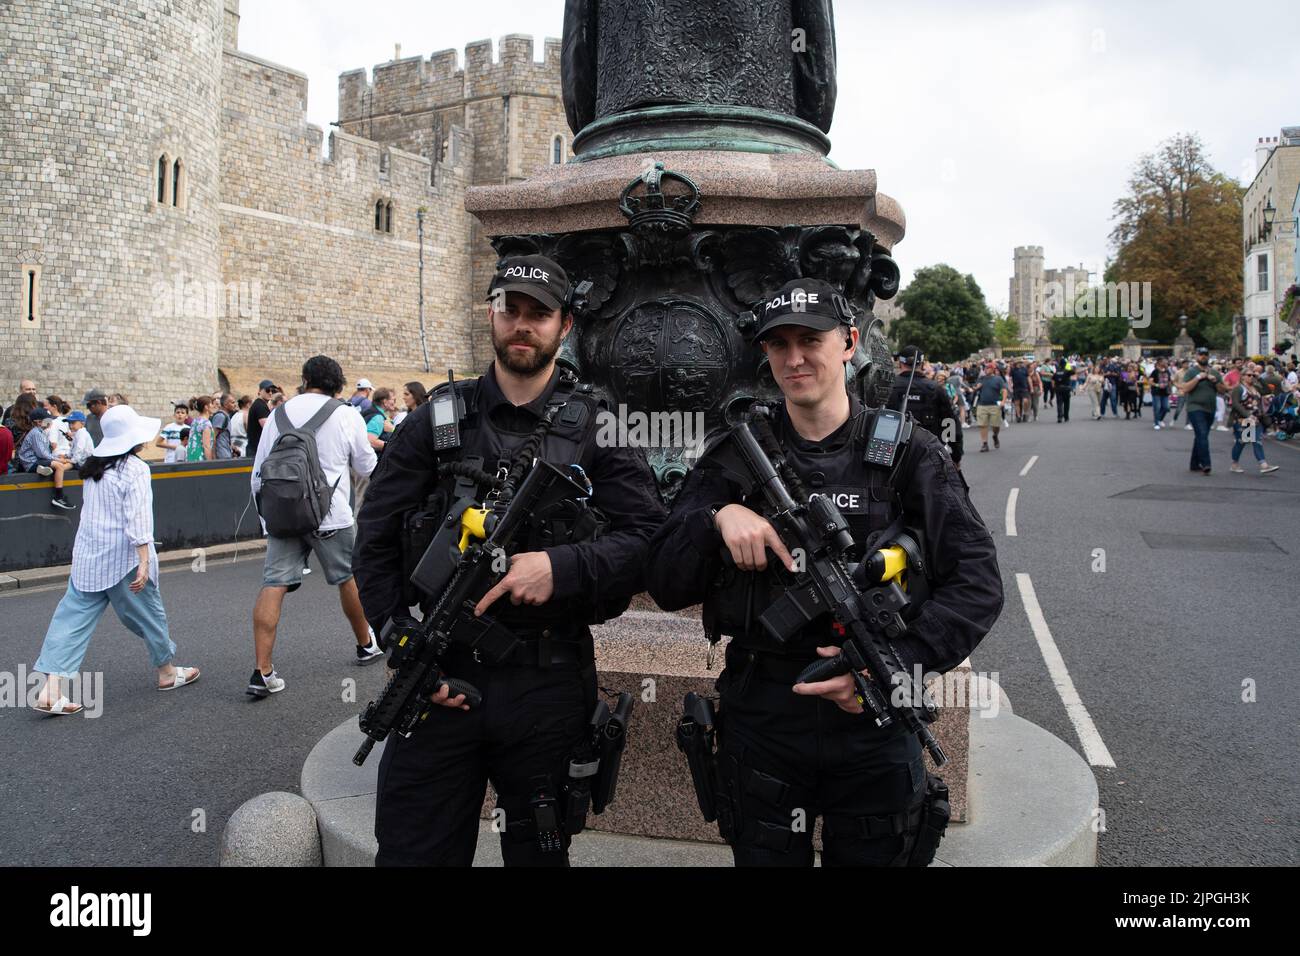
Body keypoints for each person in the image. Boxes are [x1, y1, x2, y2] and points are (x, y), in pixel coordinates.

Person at [644, 278, 1003, 866]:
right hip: (764, 711)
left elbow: (978, 585)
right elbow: (663, 580)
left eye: (810, 339)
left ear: (849, 343)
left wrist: (896, 664)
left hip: (872, 719)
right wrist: (716, 517)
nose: (794, 358)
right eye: (778, 344)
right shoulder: (733, 455)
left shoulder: (910, 453)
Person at [354, 254, 665, 867]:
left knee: (540, 855)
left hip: (545, 685)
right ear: (491, 316)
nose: (522, 325)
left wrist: (562, 566)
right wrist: (399, 637)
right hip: (439, 682)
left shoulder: (597, 427)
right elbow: (375, 539)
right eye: (510, 310)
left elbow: (649, 536)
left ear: (564, 326)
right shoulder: (436, 421)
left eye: (539, 315)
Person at [31, 404, 200, 715]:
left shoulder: (94, 466)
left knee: (70, 622)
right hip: (123, 559)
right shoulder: (135, 469)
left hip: (88, 557)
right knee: (148, 615)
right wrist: (145, 561)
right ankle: (166, 672)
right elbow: (137, 520)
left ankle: (50, 690)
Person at [247, 355, 381, 698]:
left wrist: (268, 520)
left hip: (284, 514)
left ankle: (262, 670)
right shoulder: (346, 414)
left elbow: (259, 472)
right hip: (331, 515)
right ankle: (365, 643)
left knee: (273, 584)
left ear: (304, 379)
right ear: (338, 383)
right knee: (347, 578)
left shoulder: (278, 414)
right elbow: (366, 465)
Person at [888, 346, 963, 469]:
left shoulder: (888, 388)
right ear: (922, 364)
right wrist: (956, 454)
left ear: (900, 362)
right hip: (929, 457)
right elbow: (949, 422)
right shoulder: (936, 389)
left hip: (894, 457)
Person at [1178, 347, 1228, 475]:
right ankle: (1206, 464)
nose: (1203, 356)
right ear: (1196, 356)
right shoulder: (1191, 372)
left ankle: (1194, 464)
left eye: (1205, 354)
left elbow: (1223, 390)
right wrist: (1198, 377)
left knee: (1202, 435)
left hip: (1210, 409)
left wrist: (1215, 380)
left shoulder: (1215, 373)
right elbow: (1185, 388)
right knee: (1202, 434)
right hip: (1195, 408)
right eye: (1201, 354)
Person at [16, 408, 77, 510]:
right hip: (31, 463)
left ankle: (43, 469)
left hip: (38, 460)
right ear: (38, 422)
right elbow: (42, 454)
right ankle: (58, 497)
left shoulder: (42, 432)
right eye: (48, 420)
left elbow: (46, 452)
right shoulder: (35, 433)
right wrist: (58, 460)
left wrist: (59, 457)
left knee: (59, 464)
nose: (51, 422)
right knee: (59, 465)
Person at [1227, 370, 1280, 475]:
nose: (1251, 377)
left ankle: (1263, 465)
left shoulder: (1256, 388)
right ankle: (1234, 463)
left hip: (1256, 419)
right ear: (1242, 377)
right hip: (1244, 419)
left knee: (1257, 440)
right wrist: (1248, 415)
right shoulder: (1239, 389)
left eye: (1253, 375)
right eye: (1249, 375)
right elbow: (1236, 404)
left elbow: (1268, 390)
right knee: (1242, 442)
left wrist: (1259, 378)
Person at [973, 362, 1008, 451]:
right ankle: (984, 444)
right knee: (983, 425)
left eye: (988, 368)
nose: (986, 369)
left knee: (995, 425)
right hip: (982, 404)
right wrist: (977, 387)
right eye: (985, 368)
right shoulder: (981, 378)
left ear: (993, 369)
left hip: (994, 405)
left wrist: (1003, 401)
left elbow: (1004, 390)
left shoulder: (998, 379)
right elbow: (975, 387)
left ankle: (995, 435)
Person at [245, 380, 276, 459]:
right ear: (260, 391)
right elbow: (268, 428)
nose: (270, 393)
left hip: (255, 449)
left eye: (272, 391)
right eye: (267, 390)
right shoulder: (260, 406)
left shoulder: (259, 404)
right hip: (257, 451)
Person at [185, 396, 215, 461]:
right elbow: (206, 446)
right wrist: (210, 462)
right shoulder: (206, 423)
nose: (213, 406)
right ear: (206, 407)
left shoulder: (195, 421)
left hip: (191, 456)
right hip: (200, 459)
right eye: (211, 404)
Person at [1149, 357, 1172, 429]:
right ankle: (1156, 423)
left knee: (1166, 407)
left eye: (1166, 361)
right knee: (1157, 407)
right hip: (1156, 392)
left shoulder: (1167, 371)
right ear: (1159, 362)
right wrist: (1157, 385)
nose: (1166, 363)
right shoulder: (1155, 371)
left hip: (1165, 392)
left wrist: (1171, 389)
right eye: (1164, 361)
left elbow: (1169, 381)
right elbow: (1150, 381)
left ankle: (1160, 419)